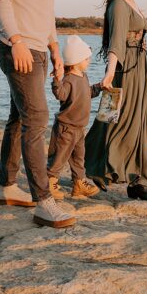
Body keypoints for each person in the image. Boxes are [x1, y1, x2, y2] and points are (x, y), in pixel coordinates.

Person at [0, 0, 78, 228]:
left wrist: (55, 48)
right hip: (18, 50)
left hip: (40, 49)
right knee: (37, 118)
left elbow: (45, 9)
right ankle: (43, 202)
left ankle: (7, 187)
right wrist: (17, 41)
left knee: (19, 117)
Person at [85, 0, 147, 200]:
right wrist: (109, 73)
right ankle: (95, 167)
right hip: (123, 69)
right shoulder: (118, 4)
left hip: (138, 68)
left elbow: (139, 40)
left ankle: (137, 180)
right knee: (113, 118)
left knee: (138, 121)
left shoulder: (132, 1)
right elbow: (116, 42)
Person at [47, 35, 102, 200]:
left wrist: (99, 87)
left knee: (79, 158)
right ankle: (50, 182)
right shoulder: (69, 79)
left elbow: (87, 94)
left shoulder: (83, 77)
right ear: (77, 61)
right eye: (86, 59)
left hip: (79, 128)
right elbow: (61, 95)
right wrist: (57, 80)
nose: (89, 61)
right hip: (66, 127)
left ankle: (78, 183)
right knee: (59, 156)